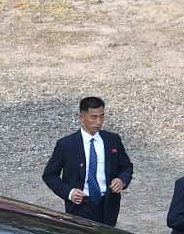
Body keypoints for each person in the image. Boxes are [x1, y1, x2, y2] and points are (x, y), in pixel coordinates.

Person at [42, 96, 133, 226]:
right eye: (94, 117)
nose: (99, 122)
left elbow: (126, 166)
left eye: (102, 116)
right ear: (81, 117)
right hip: (79, 206)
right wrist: (69, 192)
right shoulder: (66, 145)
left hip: (108, 205)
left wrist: (122, 180)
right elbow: (50, 175)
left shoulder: (112, 140)